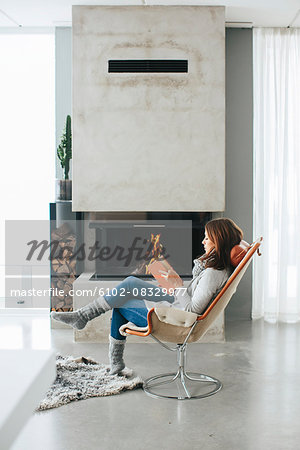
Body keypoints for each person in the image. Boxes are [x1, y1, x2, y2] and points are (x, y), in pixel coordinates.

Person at [51, 218, 243, 375]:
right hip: (176, 304)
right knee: (131, 283)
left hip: (178, 319)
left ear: (218, 241)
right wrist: (177, 282)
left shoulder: (213, 274)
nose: (203, 241)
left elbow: (191, 311)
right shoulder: (217, 269)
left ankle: (92, 329)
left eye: (207, 239)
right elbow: (194, 296)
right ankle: (83, 317)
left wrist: (176, 286)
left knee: (121, 304)